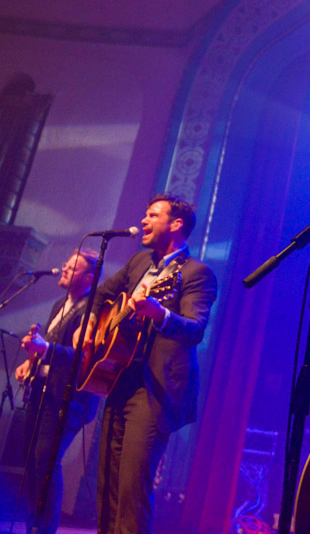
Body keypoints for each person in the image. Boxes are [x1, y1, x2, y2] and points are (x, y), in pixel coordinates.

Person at [87, 194, 217, 534]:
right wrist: (89, 328)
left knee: (132, 488)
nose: (143, 221)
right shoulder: (139, 262)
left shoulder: (196, 274)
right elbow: (101, 295)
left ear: (176, 225)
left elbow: (195, 330)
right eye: (145, 214)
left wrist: (160, 314)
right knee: (107, 483)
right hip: (119, 377)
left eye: (152, 215)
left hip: (154, 389)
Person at [16, 249, 101, 534]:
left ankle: (46, 528)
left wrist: (46, 349)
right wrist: (30, 363)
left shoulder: (92, 312)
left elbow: (82, 359)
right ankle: (34, 526)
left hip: (69, 399)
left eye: (72, 268)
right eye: (65, 264)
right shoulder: (59, 305)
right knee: (33, 459)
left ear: (88, 277)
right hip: (43, 391)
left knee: (46, 460)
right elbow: (48, 348)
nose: (63, 269)